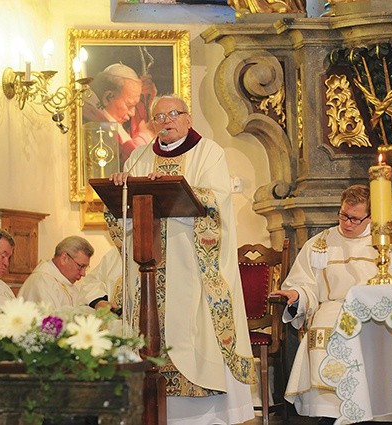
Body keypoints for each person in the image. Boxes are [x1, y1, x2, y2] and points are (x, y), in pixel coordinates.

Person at [108, 95, 256, 424]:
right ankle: (149, 405)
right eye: (159, 117)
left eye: (173, 114)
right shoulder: (140, 156)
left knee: (192, 325)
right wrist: (122, 186)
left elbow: (216, 202)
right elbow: (126, 210)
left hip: (191, 263)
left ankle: (202, 416)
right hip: (151, 265)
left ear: (188, 119)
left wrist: (180, 188)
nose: (166, 121)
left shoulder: (209, 152)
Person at [271, 185, 392, 424]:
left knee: (390, 333)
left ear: (371, 217)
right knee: (326, 326)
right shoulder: (320, 244)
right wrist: (297, 295)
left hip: (378, 309)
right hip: (334, 308)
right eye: (343, 215)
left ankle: (382, 410)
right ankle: (331, 412)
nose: (346, 222)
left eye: (355, 218)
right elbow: (305, 284)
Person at [82, 63, 157, 166]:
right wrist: (144, 134)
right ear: (108, 97)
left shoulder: (111, 119)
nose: (133, 113)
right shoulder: (93, 123)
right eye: (129, 105)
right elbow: (133, 163)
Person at [17, 236, 94, 309]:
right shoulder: (42, 283)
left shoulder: (67, 284)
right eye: (80, 266)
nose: (83, 273)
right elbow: (50, 321)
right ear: (64, 258)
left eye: (85, 268)